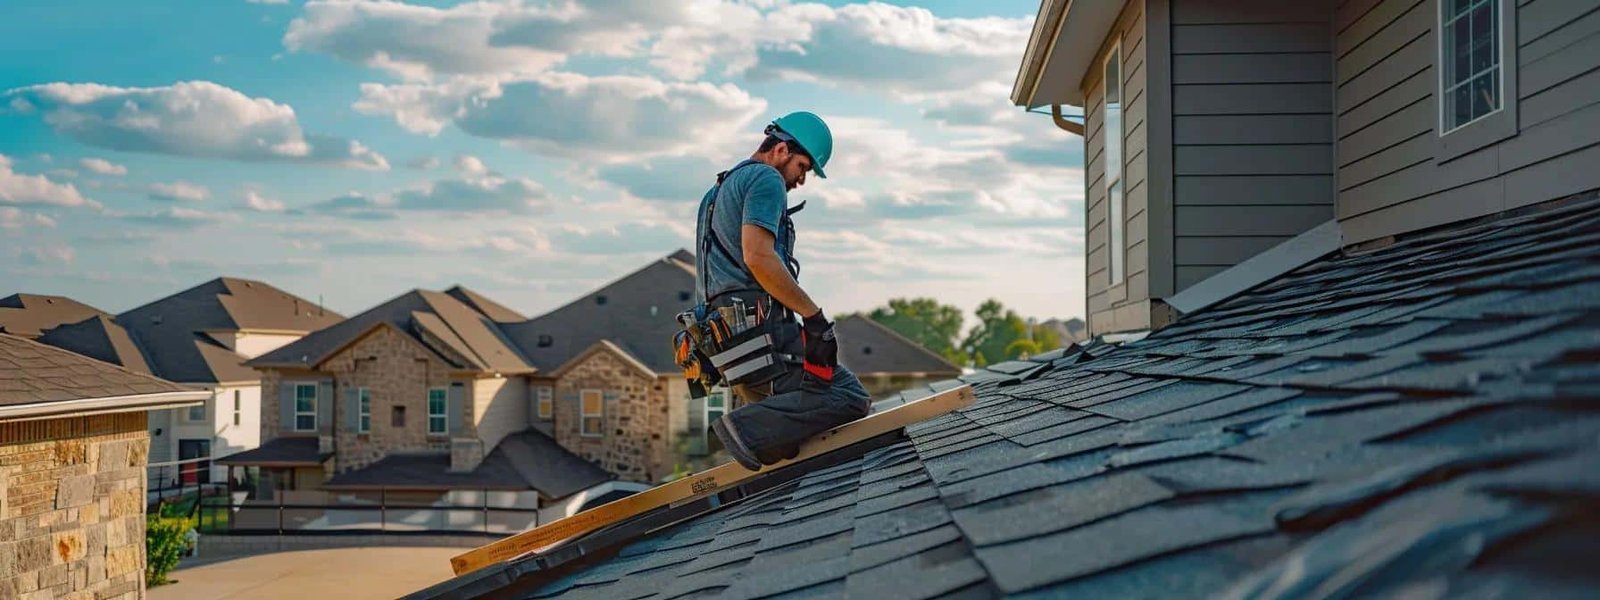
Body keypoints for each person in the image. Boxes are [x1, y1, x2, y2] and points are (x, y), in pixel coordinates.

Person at [693, 111, 871, 470]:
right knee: (848, 395)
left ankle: (761, 448)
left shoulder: (717, 192)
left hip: (729, 343)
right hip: (760, 336)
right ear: (781, 150)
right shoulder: (766, 179)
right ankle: (744, 429)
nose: (801, 180)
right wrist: (814, 319)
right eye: (802, 167)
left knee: (790, 441)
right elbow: (758, 257)